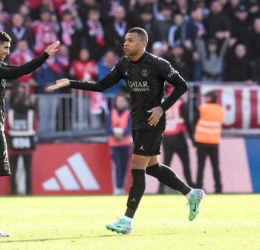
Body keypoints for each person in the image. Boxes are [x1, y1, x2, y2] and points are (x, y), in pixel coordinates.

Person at [47, 27, 205, 235]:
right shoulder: (124, 64)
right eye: (125, 40)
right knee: (152, 168)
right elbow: (101, 85)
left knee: (137, 167)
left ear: (142, 43)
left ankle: (126, 220)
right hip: (137, 122)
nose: (125, 43)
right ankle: (192, 194)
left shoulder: (158, 64)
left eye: (130, 40)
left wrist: (161, 107)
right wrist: (71, 82)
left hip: (152, 121)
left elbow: (182, 85)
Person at [0, 29, 59, 237]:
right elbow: (17, 72)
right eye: (6, 47)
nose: (8, 52)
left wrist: (43, 56)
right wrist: (44, 54)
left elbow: (19, 70)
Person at [195, 91, 225, 193]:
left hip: (202, 140)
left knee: (201, 166)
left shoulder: (202, 108)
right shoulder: (221, 110)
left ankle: (198, 186)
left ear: (210, 98)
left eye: (206, 97)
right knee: (215, 166)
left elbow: (194, 121)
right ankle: (218, 188)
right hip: (214, 141)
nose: (205, 98)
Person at [106, 92, 131, 195]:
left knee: (124, 166)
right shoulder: (111, 113)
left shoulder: (129, 113)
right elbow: (108, 127)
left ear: (125, 102)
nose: (120, 103)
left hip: (125, 144)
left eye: (122, 101)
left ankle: (122, 188)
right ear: (115, 102)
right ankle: (117, 188)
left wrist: (123, 135)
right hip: (114, 144)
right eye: (119, 101)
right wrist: (114, 135)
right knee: (117, 165)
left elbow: (130, 127)